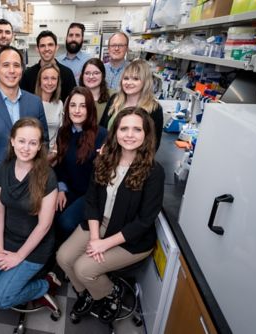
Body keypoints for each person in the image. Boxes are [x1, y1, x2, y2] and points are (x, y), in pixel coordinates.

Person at [56, 106, 165, 324]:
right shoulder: (105, 159)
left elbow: (144, 221)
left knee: (84, 268)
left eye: (137, 129)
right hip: (100, 223)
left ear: (147, 134)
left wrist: (103, 245)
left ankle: (111, 293)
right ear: (115, 132)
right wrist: (96, 238)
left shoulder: (154, 171)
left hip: (131, 237)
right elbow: (92, 201)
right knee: (63, 258)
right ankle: (90, 292)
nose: (130, 135)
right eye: (124, 128)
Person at [0, 117, 61, 312]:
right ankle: (9, 281)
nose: (26, 148)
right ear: (12, 141)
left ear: (39, 147)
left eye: (32, 143)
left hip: (34, 246)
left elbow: (44, 225)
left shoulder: (48, 176)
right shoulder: (3, 169)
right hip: (6, 238)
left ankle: (45, 284)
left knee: (1, 298)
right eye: (21, 141)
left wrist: (18, 256)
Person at [0, 45, 49, 225]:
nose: (12, 71)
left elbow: (43, 142)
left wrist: (36, 175)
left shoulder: (34, 102)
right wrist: (1, 182)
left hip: (32, 182)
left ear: (22, 69)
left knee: (31, 228)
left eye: (16, 65)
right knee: (1, 232)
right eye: (6, 65)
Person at [53, 87, 107, 242]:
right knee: (50, 214)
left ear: (90, 109)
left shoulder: (102, 135)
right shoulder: (63, 133)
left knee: (66, 222)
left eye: (83, 106)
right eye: (73, 105)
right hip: (70, 189)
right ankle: (51, 254)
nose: (77, 110)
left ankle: (63, 256)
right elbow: (61, 166)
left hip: (91, 194)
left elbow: (103, 176)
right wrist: (61, 189)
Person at [100, 59, 163, 150]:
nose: (129, 83)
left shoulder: (154, 109)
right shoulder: (115, 100)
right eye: (126, 78)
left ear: (145, 82)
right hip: (109, 157)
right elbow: (102, 130)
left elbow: (154, 144)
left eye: (135, 79)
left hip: (136, 161)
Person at [20, 30, 76, 102]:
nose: (47, 49)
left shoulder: (67, 74)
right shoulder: (28, 75)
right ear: (37, 49)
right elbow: (23, 102)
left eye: (50, 45)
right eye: (42, 46)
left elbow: (72, 102)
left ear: (56, 47)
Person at [34, 63, 63, 159]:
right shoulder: (31, 102)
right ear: (39, 81)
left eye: (53, 78)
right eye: (45, 78)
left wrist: (54, 153)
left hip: (53, 157)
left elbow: (61, 132)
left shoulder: (59, 104)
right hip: (34, 156)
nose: (50, 83)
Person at [79, 58, 115, 123]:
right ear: (82, 76)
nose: (91, 77)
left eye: (96, 73)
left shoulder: (114, 97)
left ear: (103, 75)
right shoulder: (74, 97)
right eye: (87, 73)